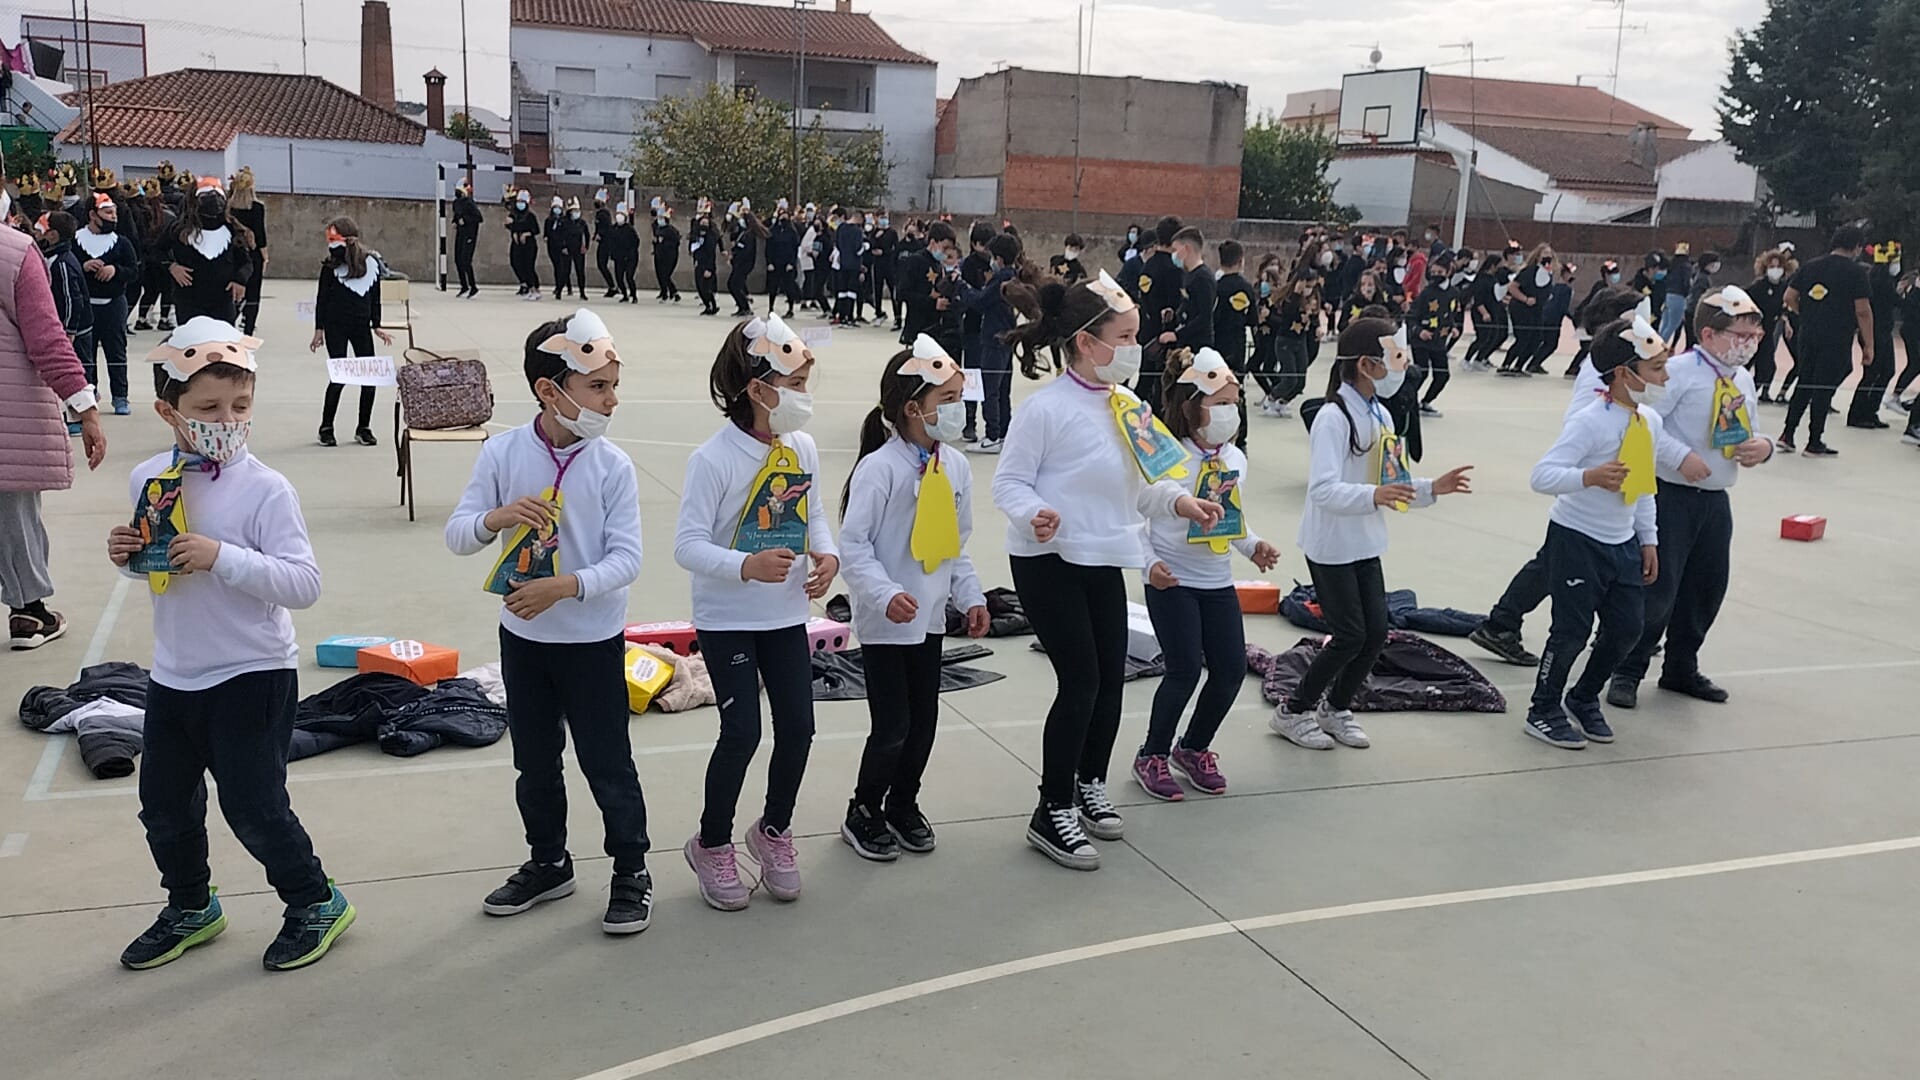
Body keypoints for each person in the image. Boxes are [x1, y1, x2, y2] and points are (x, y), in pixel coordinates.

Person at [107, 319, 353, 971]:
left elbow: (303, 583)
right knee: (163, 805)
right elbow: (159, 568)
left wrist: (223, 557)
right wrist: (129, 555)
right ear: (169, 411)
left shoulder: (267, 489)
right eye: (208, 409)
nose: (227, 420)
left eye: (240, 406)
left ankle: (314, 900)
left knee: (254, 806)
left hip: (253, 672)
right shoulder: (149, 482)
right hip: (176, 673)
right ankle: (191, 905)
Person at [993, 273, 1225, 870]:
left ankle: (1088, 783)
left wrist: (1182, 501)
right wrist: (1034, 512)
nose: (1134, 350)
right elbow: (1009, 482)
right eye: (1123, 338)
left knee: (1110, 681)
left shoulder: (1130, 407)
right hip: (1047, 560)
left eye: (1136, 338)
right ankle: (1052, 808)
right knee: (1080, 683)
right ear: (1083, 342)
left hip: (1104, 556)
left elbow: (1146, 488)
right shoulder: (1044, 409)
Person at [444, 309, 652, 934]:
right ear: (548, 390)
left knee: (607, 761)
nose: (611, 400)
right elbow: (458, 535)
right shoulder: (505, 452)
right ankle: (549, 862)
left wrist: (567, 587)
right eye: (598, 387)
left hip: (590, 642)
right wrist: (498, 517)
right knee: (534, 762)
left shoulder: (612, 465)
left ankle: (631, 870)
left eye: (613, 384)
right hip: (525, 642)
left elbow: (628, 559)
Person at [675, 314, 839, 910]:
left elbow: (814, 514)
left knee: (800, 726)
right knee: (742, 731)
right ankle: (712, 841)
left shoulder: (802, 446)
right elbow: (687, 545)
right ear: (757, 388)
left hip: (786, 615)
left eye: (804, 383)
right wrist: (743, 567)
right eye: (793, 384)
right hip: (727, 619)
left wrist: (827, 553)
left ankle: (773, 830)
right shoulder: (713, 459)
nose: (802, 397)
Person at [1270, 319, 1473, 752]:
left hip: (1364, 540)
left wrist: (1430, 488)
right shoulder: (1332, 418)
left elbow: (1390, 480)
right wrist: (1374, 494)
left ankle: (1336, 707)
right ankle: (1294, 710)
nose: (1404, 367)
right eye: (1396, 358)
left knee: (1376, 633)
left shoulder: (1379, 413)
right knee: (1349, 635)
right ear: (1366, 365)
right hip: (1331, 545)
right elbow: (1323, 489)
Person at [836, 338, 989, 860]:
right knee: (893, 725)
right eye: (946, 399)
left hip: (930, 618)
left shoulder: (957, 468)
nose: (958, 409)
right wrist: (884, 593)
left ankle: (903, 802)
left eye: (959, 397)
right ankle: (864, 808)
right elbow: (852, 546)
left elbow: (955, 546)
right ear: (912, 408)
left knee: (924, 721)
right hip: (886, 621)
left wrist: (970, 597)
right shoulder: (879, 470)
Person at [1601, 287, 1773, 712]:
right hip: (1671, 496)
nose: (1749, 343)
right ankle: (1627, 668)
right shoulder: (1677, 372)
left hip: (1714, 499)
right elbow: (1641, 425)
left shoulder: (1742, 379)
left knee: (1706, 587)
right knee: (1658, 589)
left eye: (1756, 335)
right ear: (1710, 334)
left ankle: (1681, 666)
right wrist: (1680, 456)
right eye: (1741, 334)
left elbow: (1749, 427)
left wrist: (1763, 446)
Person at [1132, 348, 1280, 800]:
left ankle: (1193, 747)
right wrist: (1148, 563)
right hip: (1171, 578)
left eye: (1234, 402)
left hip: (1216, 578)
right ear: (1191, 404)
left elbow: (1228, 516)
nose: (1229, 412)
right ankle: (1151, 754)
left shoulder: (1234, 458)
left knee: (1231, 670)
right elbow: (1135, 514)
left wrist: (1253, 546)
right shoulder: (1166, 454)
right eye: (1219, 403)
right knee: (1182, 672)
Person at [1519, 314, 1669, 749]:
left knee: (1627, 628)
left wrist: (1649, 538)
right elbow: (1542, 475)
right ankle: (1542, 708)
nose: (1665, 377)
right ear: (1624, 373)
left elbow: (1644, 487)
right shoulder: (1591, 420)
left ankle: (1583, 697)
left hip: (1621, 541)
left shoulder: (1649, 423)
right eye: (1656, 368)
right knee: (1571, 630)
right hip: (1576, 538)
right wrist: (1589, 477)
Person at [1, 180, 107, 652]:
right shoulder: (17, 252)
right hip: (10, 416)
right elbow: (46, 338)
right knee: (16, 517)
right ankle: (29, 615)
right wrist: (84, 406)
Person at [1780, 225, 1872, 456]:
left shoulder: (1811, 266)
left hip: (1808, 333)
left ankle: (1788, 433)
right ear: (1857, 247)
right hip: (1837, 336)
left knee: (1806, 381)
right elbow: (1862, 310)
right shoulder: (1856, 272)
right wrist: (1868, 344)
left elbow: (1789, 297)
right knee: (1824, 386)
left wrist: (1804, 312)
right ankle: (1814, 440)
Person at [308, 219, 392, 448]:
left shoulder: (370, 265)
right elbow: (322, 299)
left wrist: (377, 325)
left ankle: (364, 427)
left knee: (370, 377)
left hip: (361, 326)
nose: (330, 244)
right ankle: (326, 427)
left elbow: (374, 297)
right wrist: (319, 329)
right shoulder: (330, 268)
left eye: (333, 239)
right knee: (339, 376)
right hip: (336, 326)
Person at [956, 232, 1031, 453]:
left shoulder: (1001, 279)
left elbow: (980, 301)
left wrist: (961, 288)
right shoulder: (1016, 276)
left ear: (997, 258)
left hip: (994, 337)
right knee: (1003, 389)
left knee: (989, 388)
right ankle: (1004, 432)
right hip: (1008, 337)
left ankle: (992, 434)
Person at [74, 195, 137, 415]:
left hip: (113, 303)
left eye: (114, 213)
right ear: (93, 215)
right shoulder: (76, 240)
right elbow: (68, 266)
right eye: (108, 213)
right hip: (85, 306)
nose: (113, 217)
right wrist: (83, 265)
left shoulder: (122, 242)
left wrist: (115, 271)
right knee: (85, 353)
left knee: (116, 350)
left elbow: (134, 270)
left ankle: (120, 396)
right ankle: (89, 393)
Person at [161, 177, 252, 327]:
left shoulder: (233, 230)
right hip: (188, 301)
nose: (214, 201)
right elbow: (155, 251)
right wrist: (171, 266)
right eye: (206, 196)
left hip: (223, 301)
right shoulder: (180, 229)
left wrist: (240, 280)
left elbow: (246, 262)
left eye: (218, 196)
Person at [39, 213, 94, 405]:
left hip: (75, 328)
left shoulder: (62, 263)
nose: (38, 235)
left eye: (41, 230)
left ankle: (82, 410)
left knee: (77, 369)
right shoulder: (53, 258)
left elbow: (73, 300)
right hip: (69, 326)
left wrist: (70, 330)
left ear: (53, 235)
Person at [1845, 242, 1899, 430]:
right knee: (1873, 373)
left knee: (1884, 371)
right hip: (1875, 333)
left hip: (1882, 332)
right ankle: (1857, 414)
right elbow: (1897, 302)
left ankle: (1869, 411)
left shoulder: (1879, 278)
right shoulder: (1880, 281)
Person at [1211, 240, 1257, 447]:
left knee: (1213, 389)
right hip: (1236, 347)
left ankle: (1214, 432)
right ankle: (1241, 438)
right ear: (1240, 261)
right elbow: (1253, 319)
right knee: (1238, 391)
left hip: (1216, 345)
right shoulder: (1246, 288)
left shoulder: (1215, 287)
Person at [1409, 257, 1456, 417]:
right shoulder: (1426, 293)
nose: (1436, 275)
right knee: (1421, 372)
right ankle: (1406, 399)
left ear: (1449, 271)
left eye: (1440, 272)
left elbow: (1450, 313)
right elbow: (1411, 316)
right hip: (1421, 341)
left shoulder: (1453, 292)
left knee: (1442, 374)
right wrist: (1419, 331)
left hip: (1439, 341)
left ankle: (1426, 401)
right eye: (1433, 272)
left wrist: (1453, 327)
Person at [1747, 248, 1795, 403]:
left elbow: (1781, 308)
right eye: (1771, 267)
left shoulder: (1783, 287)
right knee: (1747, 362)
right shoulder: (1758, 286)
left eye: (1778, 266)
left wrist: (1786, 321)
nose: (1775, 270)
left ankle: (1751, 392)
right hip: (1754, 330)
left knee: (1767, 367)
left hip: (1769, 330)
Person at [1500, 243, 1556, 376]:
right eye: (1544, 254)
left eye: (1549, 255)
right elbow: (1512, 287)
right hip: (1521, 308)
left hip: (1537, 310)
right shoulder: (1529, 271)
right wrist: (1525, 299)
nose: (1547, 257)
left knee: (1536, 339)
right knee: (1523, 337)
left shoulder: (1548, 273)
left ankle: (1519, 366)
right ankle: (1506, 364)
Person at [133, 180, 178, 331]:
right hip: (165, 257)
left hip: (147, 258)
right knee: (167, 289)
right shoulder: (169, 215)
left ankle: (142, 318)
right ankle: (164, 318)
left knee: (150, 290)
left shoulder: (141, 216)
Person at [227, 168, 268, 335]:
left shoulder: (228, 207)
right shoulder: (257, 207)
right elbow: (260, 233)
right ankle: (248, 329)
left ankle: (229, 324)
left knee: (235, 291)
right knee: (253, 293)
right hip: (253, 253)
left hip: (234, 253)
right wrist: (265, 255)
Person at [1461, 253, 1511, 371]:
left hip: (1492, 310)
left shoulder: (1493, 278)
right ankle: (1466, 359)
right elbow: (1478, 299)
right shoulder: (1481, 279)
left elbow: (1494, 294)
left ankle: (1479, 359)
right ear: (1493, 266)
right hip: (1481, 312)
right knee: (1482, 337)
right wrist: (1484, 313)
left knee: (1493, 336)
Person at [726, 207, 766, 318]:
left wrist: (736, 256)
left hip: (744, 264)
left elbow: (745, 250)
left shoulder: (749, 235)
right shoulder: (742, 233)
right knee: (734, 284)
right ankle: (742, 306)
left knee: (733, 284)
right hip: (739, 263)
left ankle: (745, 307)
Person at [505, 189, 542, 299]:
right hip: (517, 244)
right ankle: (526, 285)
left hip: (529, 244)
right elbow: (509, 225)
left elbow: (536, 230)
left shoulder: (530, 216)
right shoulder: (514, 215)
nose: (520, 204)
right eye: (518, 201)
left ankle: (534, 288)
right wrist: (514, 231)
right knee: (516, 263)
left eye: (522, 202)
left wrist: (526, 233)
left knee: (529, 266)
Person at [766, 205, 801, 318]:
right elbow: (768, 248)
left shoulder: (792, 232)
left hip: (787, 264)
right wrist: (769, 262)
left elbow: (794, 249)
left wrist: (791, 263)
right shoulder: (773, 230)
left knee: (788, 287)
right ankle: (771, 308)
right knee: (773, 287)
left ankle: (790, 309)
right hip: (775, 263)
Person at [1682, 251, 1721, 350]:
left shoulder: (1699, 274)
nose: (1717, 266)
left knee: (1692, 341)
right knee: (1694, 341)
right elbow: (1697, 297)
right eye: (1714, 263)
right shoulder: (1703, 278)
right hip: (1694, 312)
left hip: (1690, 311)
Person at [451, 177, 483, 298]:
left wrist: (466, 220)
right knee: (458, 260)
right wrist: (455, 222)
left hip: (469, 234)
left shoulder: (469, 203)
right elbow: (457, 215)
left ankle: (473, 286)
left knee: (466, 260)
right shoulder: (456, 203)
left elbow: (479, 218)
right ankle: (464, 285)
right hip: (460, 234)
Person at [869, 212, 900, 329]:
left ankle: (897, 316)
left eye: (885, 218)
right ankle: (878, 313)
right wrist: (876, 237)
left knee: (893, 291)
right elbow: (870, 244)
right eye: (881, 218)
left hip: (889, 265)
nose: (883, 220)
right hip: (877, 264)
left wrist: (884, 252)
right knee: (877, 289)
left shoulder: (892, 233)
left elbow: (895, 249)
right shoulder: (874, 232)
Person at [606, 204, 641, 304]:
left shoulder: (630, 229)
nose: (619, 217)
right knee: (619, 277)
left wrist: (630, 254)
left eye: (621, 215)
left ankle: (633, 295)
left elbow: (636, 242)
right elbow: (611, 243)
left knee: (629, 276)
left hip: (630, 258)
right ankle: (625, 295)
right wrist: (612, 254)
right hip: (618, 257)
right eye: (618, 214)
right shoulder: (613, 229)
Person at [689, 206, 720, 316]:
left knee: (706, 287)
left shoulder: (710, 237)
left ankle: (713, 305)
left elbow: (711, 254)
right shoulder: (696, 236)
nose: (703, 224)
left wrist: (709, 269)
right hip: (699, 263)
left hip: (707, 265)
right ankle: (707, 305)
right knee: (699, 287)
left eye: (706, 223)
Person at [1662, 244, 1694, 344]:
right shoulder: (1686, 267)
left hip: (1668, 295)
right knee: (1673, 324)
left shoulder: (1671, 266)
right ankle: (1660, 346)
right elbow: (1686, 282)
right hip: (1679, 296)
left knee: (1665, 325)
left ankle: (1657, 342)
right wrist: (1687, 294)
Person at [650, 204, 681, 303]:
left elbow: (675, 242)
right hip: (659, 255)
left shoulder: (671, 231)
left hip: (669, 256)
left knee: (665, 275)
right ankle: (668, 292)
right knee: (660, 274)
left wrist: (663, 242)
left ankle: (673, 292)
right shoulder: (658, 229)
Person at [592, 190, 617, 298]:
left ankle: (612, 286)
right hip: (602, 242)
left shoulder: (604, 213)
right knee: (601, 265)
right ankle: (612, 286)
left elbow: (606, 228)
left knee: (602, 264)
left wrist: (600, 235)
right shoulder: (600, 213)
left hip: (605, 243)